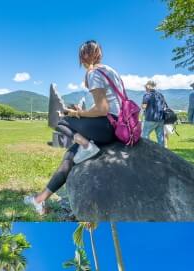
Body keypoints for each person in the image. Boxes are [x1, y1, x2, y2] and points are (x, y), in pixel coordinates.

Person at [25, 40, 125, 216]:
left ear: (84, 56)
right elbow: (108, 106)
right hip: (114, 125)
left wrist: (77, 114)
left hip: (107, 126)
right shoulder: (111, 71)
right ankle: (39, 200)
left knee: (60, 118)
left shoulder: (94, 73)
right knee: (70, 156)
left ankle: (86, 145)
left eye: (81, 57)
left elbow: (103, 109)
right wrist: (83, 112)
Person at [141, 80, 166, 146]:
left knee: (145, 135)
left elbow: (144, 106)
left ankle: (146, 150)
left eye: (145, 87)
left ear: (148, 86)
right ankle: (163, 153)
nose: (145, 88)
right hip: (161, 118)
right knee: (160, 138)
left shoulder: (147, 95)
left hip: (150, 118)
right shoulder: (160, 95)